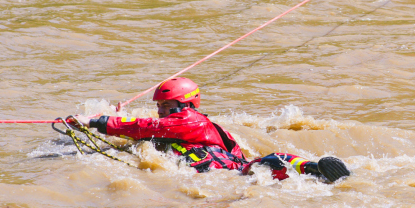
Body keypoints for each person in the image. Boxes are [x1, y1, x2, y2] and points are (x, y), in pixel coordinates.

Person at [71, 77, 350, 183]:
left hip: (227, 171)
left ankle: (316, 170)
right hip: (223, 173)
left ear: (185, 105)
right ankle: (316, 175)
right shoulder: (179, 122)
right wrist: (119, 117)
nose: (159, 111)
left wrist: (94, 122)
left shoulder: (190, 121)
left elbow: (146, 127)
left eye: (166, 106)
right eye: (158, 106)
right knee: (267, 168)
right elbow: (144, 128)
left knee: (272, 161)